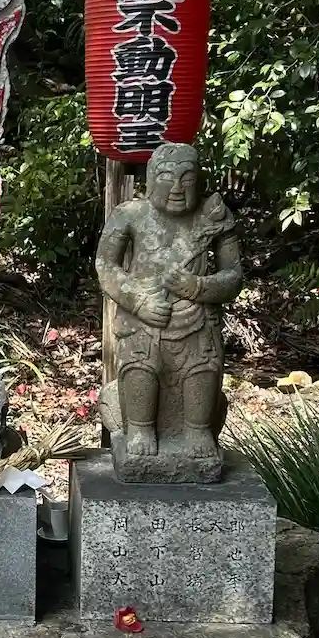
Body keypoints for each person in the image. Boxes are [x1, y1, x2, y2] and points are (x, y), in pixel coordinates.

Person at [95, 142, 242, 461]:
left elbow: (233, 275)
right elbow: (105, 265)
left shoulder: (213, 216)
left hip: (197, 319)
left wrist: (199, 286)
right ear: (151, 179)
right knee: (140, 368)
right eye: (166, 176)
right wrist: (138, 302)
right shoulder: (129, 215)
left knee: (203, 369)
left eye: (187, 178)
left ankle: (197, 430)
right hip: (144, 320)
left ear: (198, 181)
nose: (177, 187)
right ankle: (140, 428)